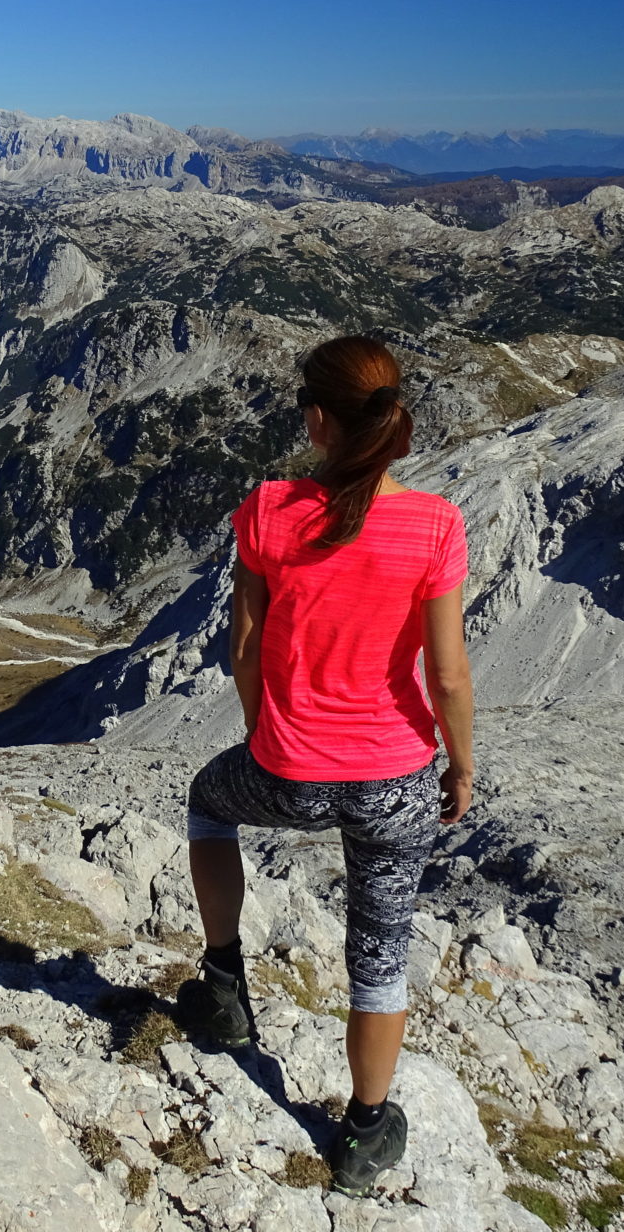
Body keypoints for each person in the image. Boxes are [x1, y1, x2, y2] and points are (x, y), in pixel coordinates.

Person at [177, 333, 475, 1197]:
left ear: (316, 420)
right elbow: (447, 675)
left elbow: (243, 645)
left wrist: (264, 732)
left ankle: (225, 980)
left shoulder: (268, 510)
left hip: (287, 771)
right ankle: (363, 1134)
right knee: (378, 953)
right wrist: (459, 768)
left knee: (207, 802)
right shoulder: (436, 525)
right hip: (396, 781)